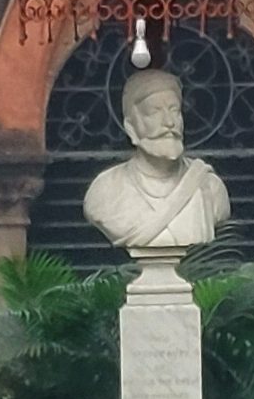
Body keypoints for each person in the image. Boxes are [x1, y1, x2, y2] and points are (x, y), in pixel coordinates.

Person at [82, 56, 231, 269]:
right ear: (131, 126)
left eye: (175, 111)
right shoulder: (105, 191)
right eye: (154, 112)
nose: (169, 122)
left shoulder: (210, 187)